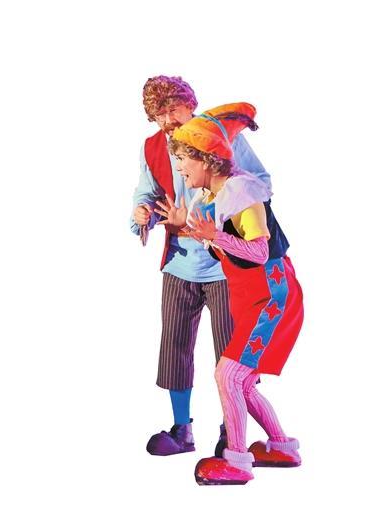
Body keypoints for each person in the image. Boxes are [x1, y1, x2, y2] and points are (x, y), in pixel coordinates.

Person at [130, 77, 270, 456]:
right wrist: (143, 211)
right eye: (158, 115)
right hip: (179, 264)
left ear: (189, 105)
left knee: (232, 356)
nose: (166, 121)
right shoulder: (152, 147)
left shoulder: (220, 135)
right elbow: (148, 191)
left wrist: (215, 216)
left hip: (225, 266)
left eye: (172, 110)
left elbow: (259, 182)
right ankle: (182, 430)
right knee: (175, 349)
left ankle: (231, 432)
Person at [167, 102, 304, 485]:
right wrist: (186, 227)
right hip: (251, 296)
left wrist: (215, 235)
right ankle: (281, 447)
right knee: (240, 381)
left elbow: (259, 252)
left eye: (184, 159)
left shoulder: (244, 193)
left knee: (227, 375)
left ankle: (237, 461)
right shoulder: (212, 198)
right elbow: (219, 241)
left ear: (207, 159)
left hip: (272, 294)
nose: (179, 167)